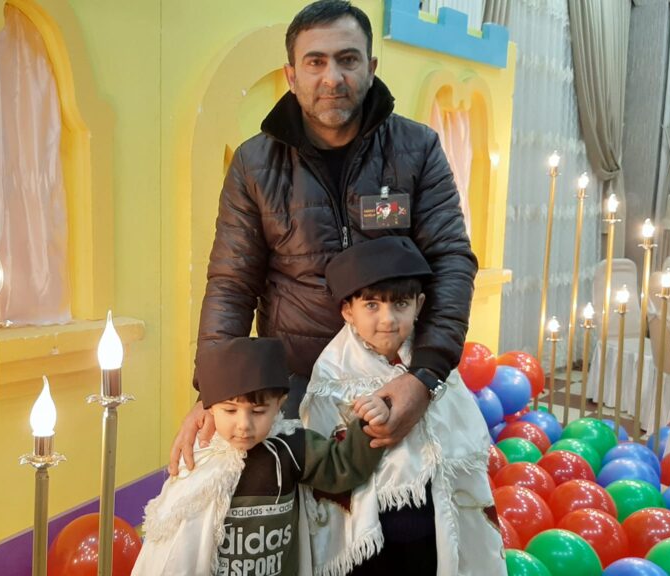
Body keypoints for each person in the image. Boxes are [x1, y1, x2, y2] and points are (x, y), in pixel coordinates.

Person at [170, 0, 478, 475]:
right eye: (315, 62)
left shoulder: (416, 148)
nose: (332, 78)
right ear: (292, 75)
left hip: (397, 378)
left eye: (347, 59)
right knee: (306, 516)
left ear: (371, 68)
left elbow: (451, 259)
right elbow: (232, 283)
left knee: (409, 513)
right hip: (295, 385)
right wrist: (213, 390)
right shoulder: (255, 164)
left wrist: (425, 375)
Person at [300, 236, 505, 575]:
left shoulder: (431, 365)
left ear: (419, 305)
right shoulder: (333, 372)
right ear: (348, 310)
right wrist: (366, 425)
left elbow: (460, 434)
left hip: (431, 526)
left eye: (400, 304)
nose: (388, 319)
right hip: (372, 536)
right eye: (372, 305)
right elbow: (327, 462)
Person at [133, 337, 389, 575]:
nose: (244, 425)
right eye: (230, 410)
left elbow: (342, 467)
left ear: (279, 404)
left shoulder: (291, 446)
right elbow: (178, 548)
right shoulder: (200, 457)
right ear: (209, 408)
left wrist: (368, 423)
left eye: (258, 411)